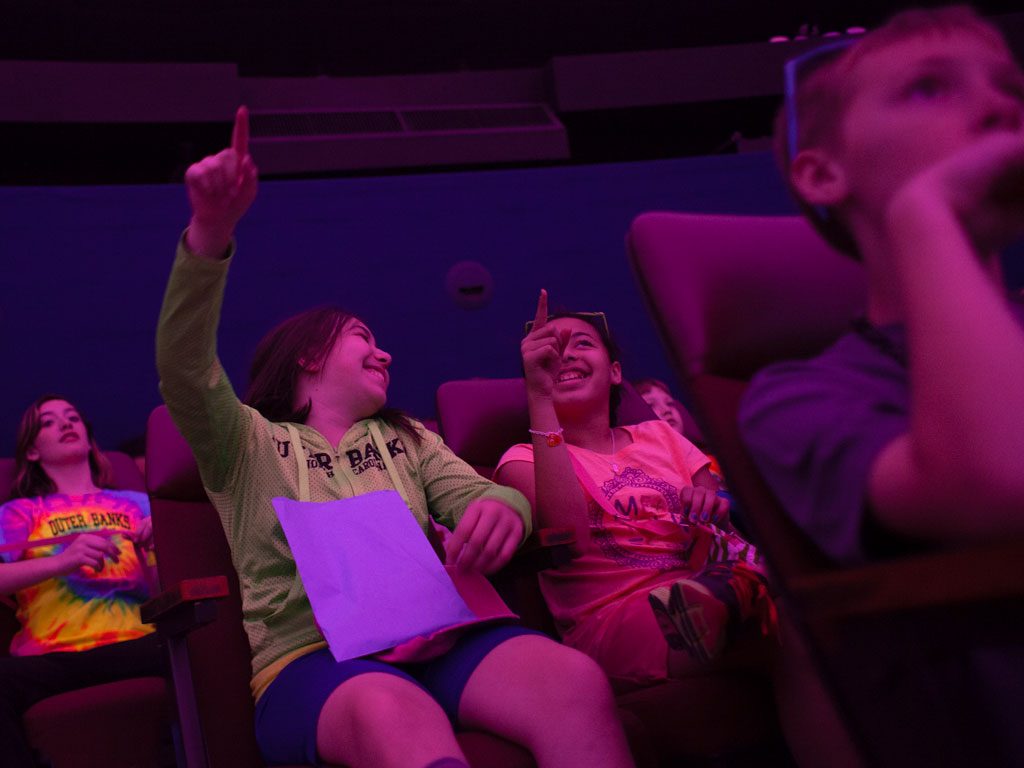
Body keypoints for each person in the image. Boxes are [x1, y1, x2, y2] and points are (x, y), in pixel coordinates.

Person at [155, 108, 633, 768]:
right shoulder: (245, 443)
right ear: (310, 358)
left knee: (573, 682)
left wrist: (504, 511)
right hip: (314, 661)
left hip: (442, 641)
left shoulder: (408, 438)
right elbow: (183, 366)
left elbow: (484, 502)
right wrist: (211, 231)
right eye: (365, 341)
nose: (385, 356)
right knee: (391, 714)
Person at [738, 6, 1024, 763]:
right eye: (930, 88)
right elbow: (1000, 486)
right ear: (824, 172)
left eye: (1010, 85)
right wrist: (925, 216)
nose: (1003, 107)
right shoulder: (799, 396)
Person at [494, 294, 774, 689]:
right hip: (613, 618)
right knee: (788, 632)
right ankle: (727, 602)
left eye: (583, 344)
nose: (566, 355)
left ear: (614, 372)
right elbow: (568, 536)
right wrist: (539, 396)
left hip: (705, 578)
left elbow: (717, 523)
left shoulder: (660, 436)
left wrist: (709, 504)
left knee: (799, 640)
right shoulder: (521, 460)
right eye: (551, 350)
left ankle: (725, 600)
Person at [0, 395, 161, 768]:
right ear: (33, 452)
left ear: (89, 440)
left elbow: (168, 590)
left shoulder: (137, 504)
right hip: (54, 656)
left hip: (138, 644)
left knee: (207, 644)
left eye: (73, 418)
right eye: (49, 422)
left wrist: (163, 549)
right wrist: (63, 562)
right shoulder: (19, 512)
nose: (66, 424)